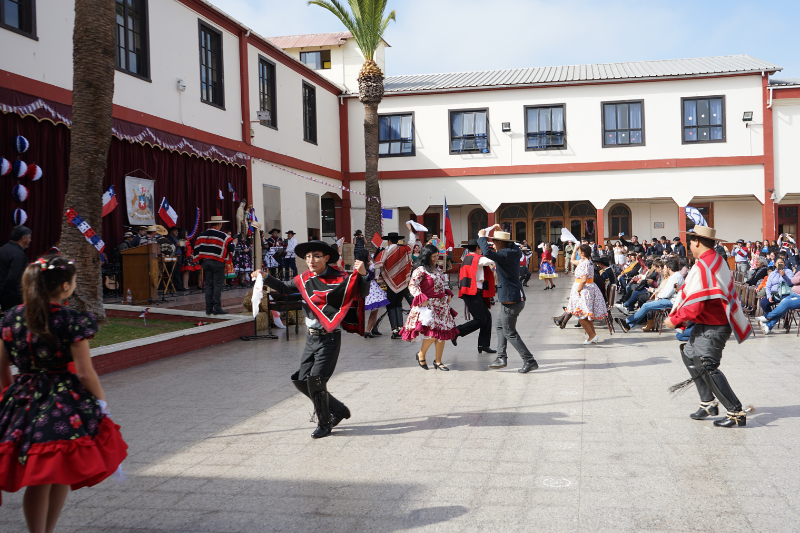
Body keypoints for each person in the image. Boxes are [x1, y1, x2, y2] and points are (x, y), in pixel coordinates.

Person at [0, 256, 128, 529]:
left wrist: (9, 400)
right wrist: (101, 401)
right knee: (46, 475)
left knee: (56, 471)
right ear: (66, 286)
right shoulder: (70, 320)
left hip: (22, 398)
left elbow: (2, 368)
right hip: (63, 401)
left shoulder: (11, 318)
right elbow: (85, 372)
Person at [252, 241, 370, 439]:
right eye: (308, 257)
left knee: (316, 381)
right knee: (300, 381)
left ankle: (324, 423)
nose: (311, 260)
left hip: (329, 338)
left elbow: (361, 292)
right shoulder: (305, 278)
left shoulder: (341, 278)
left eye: (316, 256)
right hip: (311, 339)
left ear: (326, 258)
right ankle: (339, 409)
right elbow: (284, 287)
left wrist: (364, 274)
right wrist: (265, 276)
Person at [664, 225, 752, 428]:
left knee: (707, 366)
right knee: (688, 353)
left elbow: (696, 304)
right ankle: (708, 402)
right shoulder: (715, 259)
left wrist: (675, 320)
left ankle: (735, 411)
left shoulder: (705, 265)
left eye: (690, 241)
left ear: (696, 241)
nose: (689, 244)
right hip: (708, 322)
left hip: (714, 324)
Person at [478, 225, 538, 373]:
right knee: (500, 326)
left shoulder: (504, 254)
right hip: (513, 297)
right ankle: (501, 357)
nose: (493, 245)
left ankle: (529, 360)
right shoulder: (514, 251)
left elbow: (486, 252)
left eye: (494, 242)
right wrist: (499, 232)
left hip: (511, 299)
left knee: (509, 331)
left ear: (498, 243)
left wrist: (482, 237)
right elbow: (505, 246)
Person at [401, 244, 459, 371]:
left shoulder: (436, 269)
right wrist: (421, 297)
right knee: (432, 333)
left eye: (437, 255)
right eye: (433, 256)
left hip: (441, 305)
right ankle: (421, 354)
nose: (436, 258)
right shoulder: (420, 270)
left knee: (441, 334)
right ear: (426, 256)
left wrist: (447, 292)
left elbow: (441, 285)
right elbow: (412, 286)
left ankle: (438, 361)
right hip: (429, 306)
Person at [451, 239, 496, 354]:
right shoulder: (476, 258)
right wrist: (495, 250)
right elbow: (490, 260)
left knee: (487, 317)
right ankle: (457, 331)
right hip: (472, 293)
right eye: (481, 248)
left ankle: (483, 345)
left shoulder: (468, 258)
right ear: (477, 248)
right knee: (481, 319)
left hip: (473, 292)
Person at [616, 258, 683, 333]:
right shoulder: (675, 276)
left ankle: (627, 321)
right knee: (646, 305)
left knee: (646, 306)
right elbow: (665, 291)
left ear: (669, 268)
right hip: (668, 299)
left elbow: (667, 293)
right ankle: (628, 325)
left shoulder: (675, 277)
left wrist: (658, 297)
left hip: (671, 301)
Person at [374, 223, 416, 339]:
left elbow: (377, 266)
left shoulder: (385, 252)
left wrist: (378, 279)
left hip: (389, 283)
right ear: (398, 240)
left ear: (389, 241)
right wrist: (410, 231)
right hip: (402, 282)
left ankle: (394, 329)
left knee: (391, 305)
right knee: (398, 304)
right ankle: (400, 328)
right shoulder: (404, 250)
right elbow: (412, 243)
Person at [566, 243, 608, 344]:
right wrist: (575, 249)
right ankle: (593, 335)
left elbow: (584, 279)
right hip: (586, 289)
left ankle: (592, 335)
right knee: (585, 315)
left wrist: (578, 290)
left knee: (581, 315)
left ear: (583, 253)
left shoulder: (585, 264)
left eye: (580, 251)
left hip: (584, 290)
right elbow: (572, 260)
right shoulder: (584, 261)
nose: (578, 252)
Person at [193, 215, 234, 315]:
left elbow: (197, 248)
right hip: (217, 263)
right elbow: (230, 248)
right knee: (217, 285)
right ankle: (217, 308)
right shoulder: (223, 236)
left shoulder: (202, 235)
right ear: (219, 224)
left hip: (206, 263)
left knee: (209, 286)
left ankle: (208, 309)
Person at [358, 249, 390, 338]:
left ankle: (374, 328)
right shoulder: (370, 265)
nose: (370, 256)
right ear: (365, 256)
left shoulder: (358, 265)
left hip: (365, 288)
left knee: (375, 310)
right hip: (371, 289)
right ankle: (367, 331)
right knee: (374, 311)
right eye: (368, 255)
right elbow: (377, 272)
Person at [0, 225, 32, 311]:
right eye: (29, 238)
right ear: (23, 238)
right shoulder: (18, 254)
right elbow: (13, 277)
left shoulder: (3, 249)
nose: (30, 240)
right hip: (13, 297)